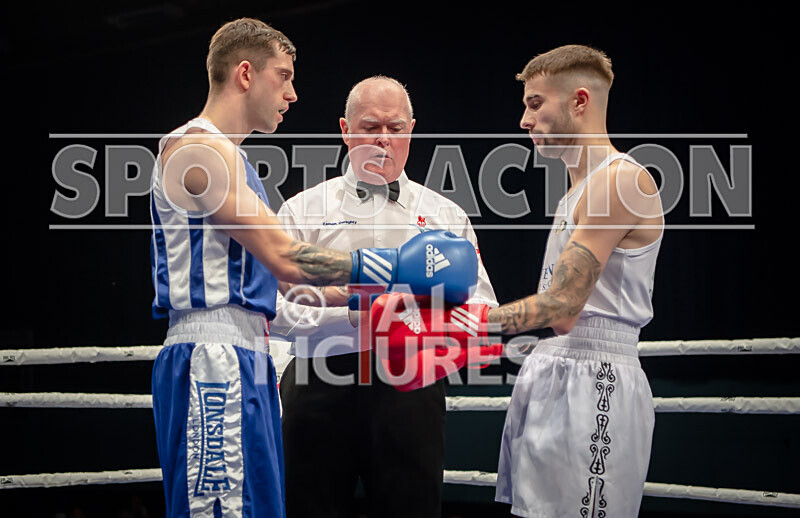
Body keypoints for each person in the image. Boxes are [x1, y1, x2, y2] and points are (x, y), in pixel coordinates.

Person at [148, 20, 478, 518]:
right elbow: (286, 258)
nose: (293, 93)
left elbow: (277, 283)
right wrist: (400, 269)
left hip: (246, 351)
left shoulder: (232, 159)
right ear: (244, 74)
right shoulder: (200, 151)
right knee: (219, 509)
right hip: (213, 356)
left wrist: (367, 304)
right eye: (283, 76)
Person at [368, 45, 663, 517]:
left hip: (596, 380)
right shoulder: (576, 192)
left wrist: (446, 327)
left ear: (579, 101)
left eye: (535, 103)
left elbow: (564, 307)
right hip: (552, 370)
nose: (524, 120)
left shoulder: (620, 182)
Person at [272, 76, 498, 518]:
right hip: (317, 376)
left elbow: (480, 306)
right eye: (370, 126)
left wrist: (421, 321)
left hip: (412, 381)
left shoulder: (445, 215)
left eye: (395, 128)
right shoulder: (302, 210)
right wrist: (363, 313)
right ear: (345, 129)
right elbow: (276, 311)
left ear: (411, 129)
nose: (383, 138)